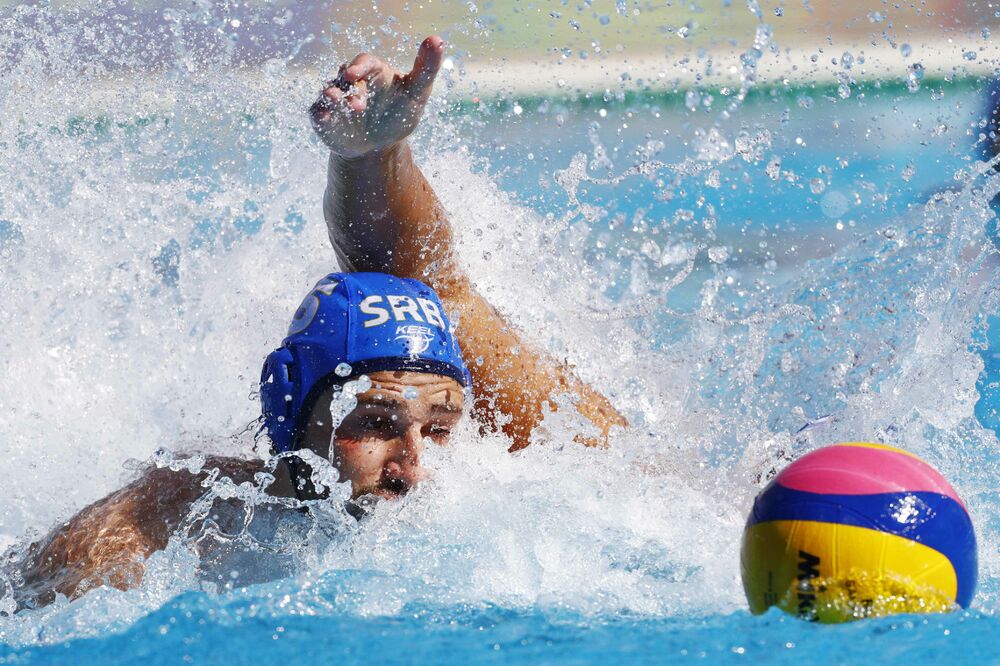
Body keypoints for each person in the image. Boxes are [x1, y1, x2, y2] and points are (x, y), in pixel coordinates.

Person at [6, 36, 626, 608]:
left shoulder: (538, 492)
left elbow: (434, 286)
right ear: (292, 415)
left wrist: (375, 159)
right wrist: (367, 159)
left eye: (439, 430)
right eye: (377, 422)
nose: (412, 469)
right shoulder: (173, 521)